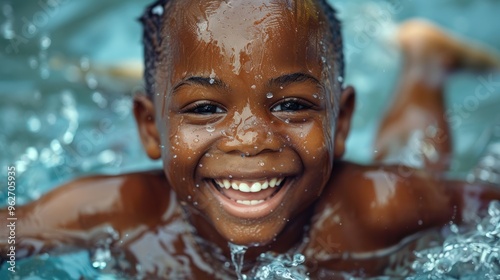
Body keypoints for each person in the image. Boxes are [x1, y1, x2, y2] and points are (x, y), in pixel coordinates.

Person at [1, 0, 500, 278]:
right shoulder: (121, 211)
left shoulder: (377, 206)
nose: (249, 140)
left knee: (416, 168)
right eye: (205, 109)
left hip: (398, 191)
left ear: (341, 122)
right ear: (151, 129)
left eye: (291, 105)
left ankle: (426, 62)